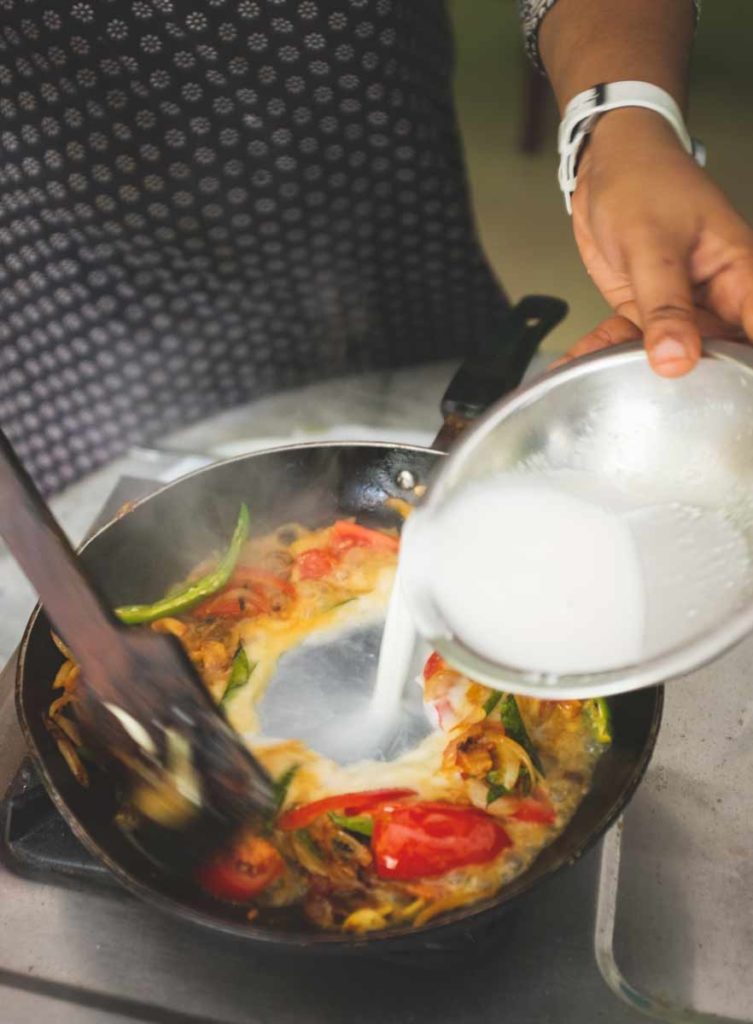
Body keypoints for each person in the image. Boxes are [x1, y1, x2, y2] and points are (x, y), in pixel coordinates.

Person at [0, 0, 751, 496]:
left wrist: (621, 114)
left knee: (464, 440)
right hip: (65, 259)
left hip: (363, 162)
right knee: (101, 511)